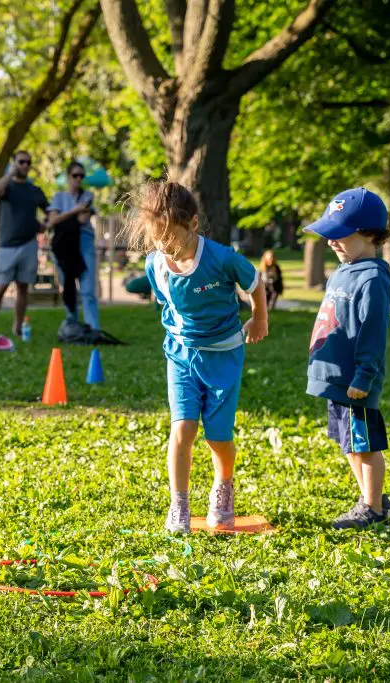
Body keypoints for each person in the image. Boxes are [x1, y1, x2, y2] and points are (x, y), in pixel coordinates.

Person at [126, 181, 269, 534]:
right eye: (157, 240)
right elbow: (167, 302)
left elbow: (255, 285)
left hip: (223, 356)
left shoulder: (222, 258)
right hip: (180, 355)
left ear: (192, 224)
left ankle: (223, 485)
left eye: (171, 238)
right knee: (183, 428)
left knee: (217, 437)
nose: (165, 247)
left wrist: (259, 318)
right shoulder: (155, 265)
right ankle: (179, 502)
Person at [304, 187, 390, 529]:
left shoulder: (373, 279)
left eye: (339, 235)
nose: (331, 242)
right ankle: (372, 499)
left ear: (368, 234)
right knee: (349, 444)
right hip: (336, 378)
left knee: (365, 444)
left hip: (356, 381)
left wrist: (364, 376)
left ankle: (371, 509)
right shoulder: (344, 271)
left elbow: (374, 332)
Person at [0, 150, 49, 337]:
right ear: (14, 163)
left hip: (29, 245)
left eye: (28, 162)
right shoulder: (7, 188)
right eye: (21, 162)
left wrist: (45, 224)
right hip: (6, 246)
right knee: (0, 287)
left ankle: (17, 327)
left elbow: (50, 211)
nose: (25, 165)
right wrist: (10, 173)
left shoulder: (34, 190)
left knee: (22, 288)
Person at [48, 161, 100, 330]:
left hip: (84, 241)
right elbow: (52, 221)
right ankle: (73, 325)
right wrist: (75, 210)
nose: (79, 179)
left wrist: (68, 214)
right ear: (68, 176)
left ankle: (93, 327)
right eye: (75, 175)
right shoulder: (59, 197)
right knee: (68, 285)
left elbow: (82, 220)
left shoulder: (87, 196)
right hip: (64, 246)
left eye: (82, 176)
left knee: (87, 288)